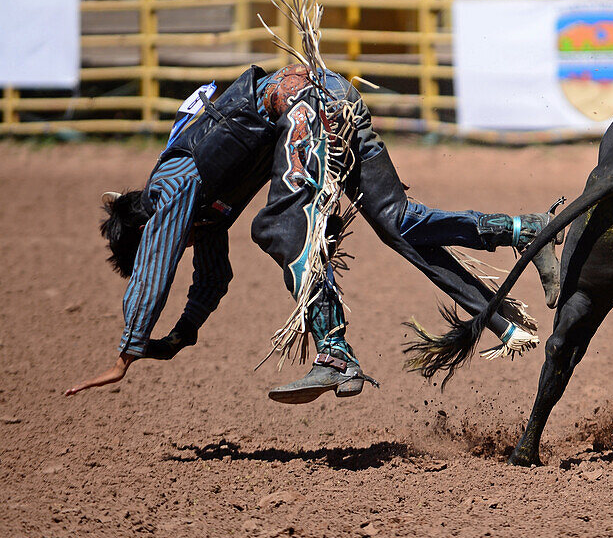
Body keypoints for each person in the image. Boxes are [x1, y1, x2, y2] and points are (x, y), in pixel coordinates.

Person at [64, 54, 561, 404]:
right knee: (398, 223)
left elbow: (155, 261)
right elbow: (213, 276)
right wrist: (182, 333)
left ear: (146, 226)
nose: (182, 243)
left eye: (163, 239)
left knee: (281, 227)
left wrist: (128, 349)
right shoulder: (201, 208)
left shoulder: (170, 187)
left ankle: (335, 353)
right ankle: (528, 231)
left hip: (308, 104)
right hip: (330, 98)